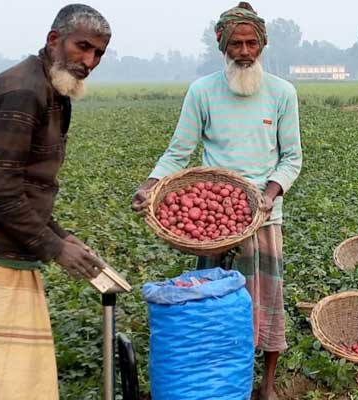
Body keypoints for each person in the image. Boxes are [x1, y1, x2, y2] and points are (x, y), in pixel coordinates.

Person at [0, 5, 111, 399]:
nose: (90, 61)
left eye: (99, 53)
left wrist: (62, 236)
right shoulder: (25, 91)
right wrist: (54, 248)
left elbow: (23, 184)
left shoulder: (51, 88)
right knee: (10, 371)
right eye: (83, 47)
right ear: (53, 40)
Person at [131, 2, 302, 399]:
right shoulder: (202, 91)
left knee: (268, 297)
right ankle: (220, 375)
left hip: (264, 215)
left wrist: (267, 195)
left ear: (262, 45)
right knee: (212, 299)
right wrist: (149, 185)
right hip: (215, 220)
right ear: (221, 46)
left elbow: (291, 157)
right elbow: (178, 152)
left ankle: (268, 383)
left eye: (251, 43)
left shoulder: (282, 93)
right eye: (236, 44)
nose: (245, 51)